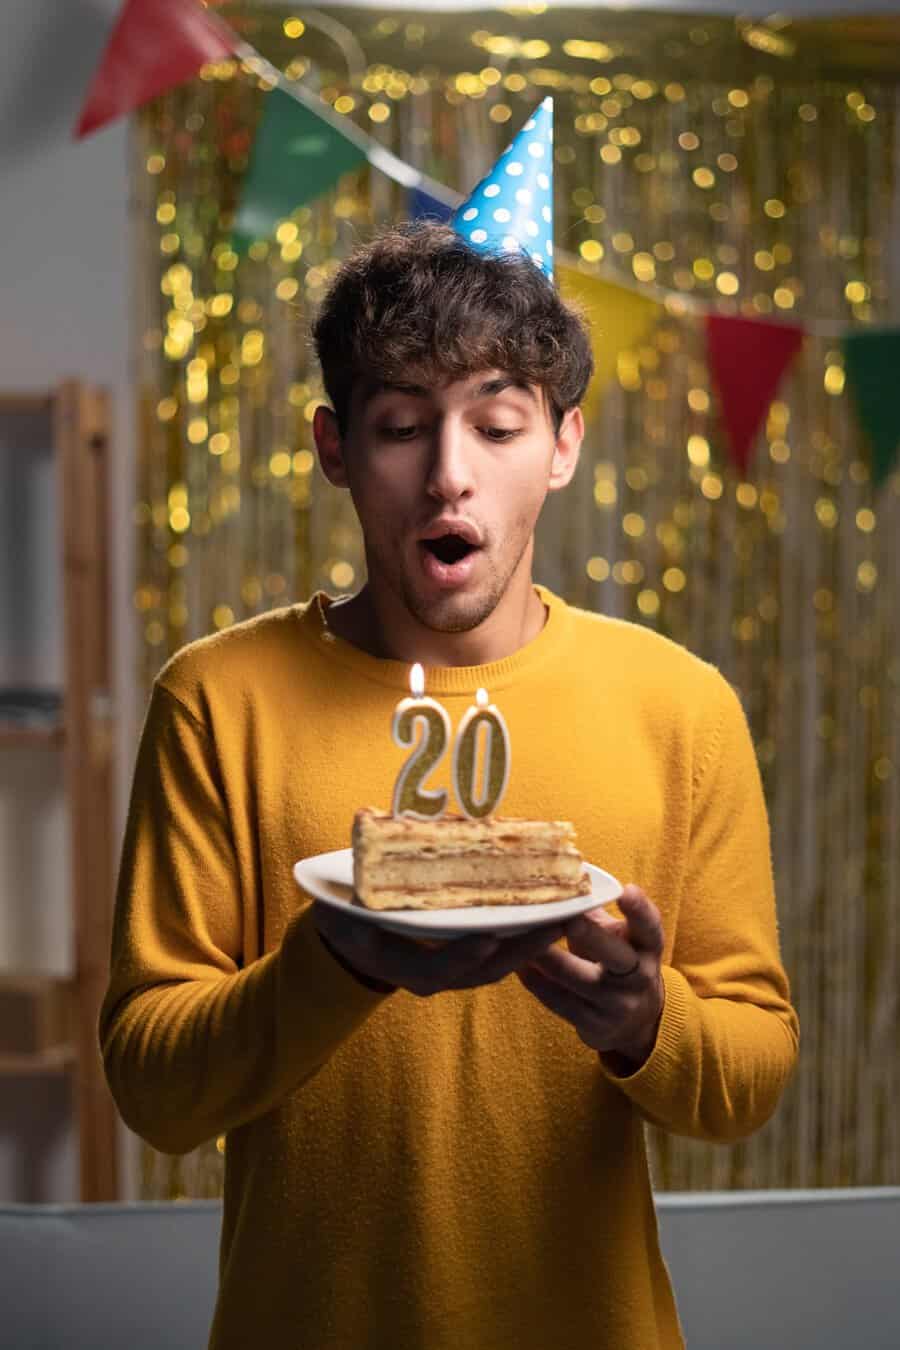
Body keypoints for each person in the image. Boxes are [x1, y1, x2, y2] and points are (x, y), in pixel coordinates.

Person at [100, 220, 799, 1350]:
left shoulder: (680, 707)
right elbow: (153, 1089)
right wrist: (332, 964)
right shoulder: (218, 699)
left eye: (499, 424)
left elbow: (751, 1078)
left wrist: (642, 1022)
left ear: (564, 444)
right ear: (335, 448)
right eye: (401, 427)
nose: (449, 474)